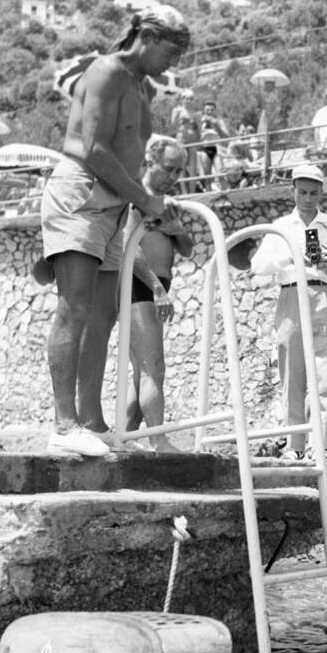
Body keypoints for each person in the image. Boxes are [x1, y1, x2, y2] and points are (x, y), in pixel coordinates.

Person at [40, 4, 190, 457]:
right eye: (172, 50)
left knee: (102, 317)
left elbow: (126, 155)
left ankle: (91, 421)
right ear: (146, 36)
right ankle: (63, 424)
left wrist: (140, 202)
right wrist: (146, 200)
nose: (175, 62)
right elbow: (95, 149)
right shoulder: (106, 70)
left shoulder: (143, 86)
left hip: (116, 204)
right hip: (82, 190)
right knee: (76, 306)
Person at [249, 163, 327, 461]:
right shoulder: (280, 227)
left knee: (326, 372)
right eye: (303, 192)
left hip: (324, 292)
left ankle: (321, 444)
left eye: (314, 193)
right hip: (292, 293)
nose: (308, 198)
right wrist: (291, 256)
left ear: (321, 193)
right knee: (292, 371)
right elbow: (259, 267)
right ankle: (294, 445)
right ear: (293, 191)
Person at [123, 136, 193, 453]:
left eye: (180, 171)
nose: (174, 177)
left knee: (142, 372)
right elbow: (129, 248)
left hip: (156, 283)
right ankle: (158, 439)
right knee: (153, 367)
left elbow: (188, 249)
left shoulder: (166, 205)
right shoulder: (137, 198)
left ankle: (122, 439)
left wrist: (175, 229)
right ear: (150, 162)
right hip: (140, 283)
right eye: (170, 169)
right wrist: (156, 286)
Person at [197, 101, 229, 190]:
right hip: (205, 149)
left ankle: (227, 193)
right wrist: (200, 124)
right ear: (204, 111)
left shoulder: (219, 120)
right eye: (207, 110)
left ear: (215, 111)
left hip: (217, 148)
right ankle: (209, 195)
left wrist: (216, 125)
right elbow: (196, 136)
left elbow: (226, 136)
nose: (209, 112)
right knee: (207, 177)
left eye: (212, 110)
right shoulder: (200, 121)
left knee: (220, 174)